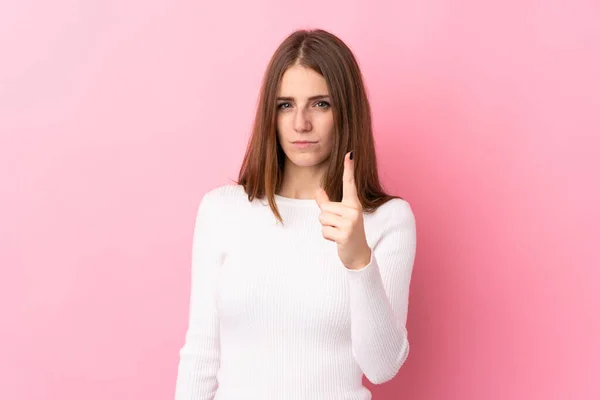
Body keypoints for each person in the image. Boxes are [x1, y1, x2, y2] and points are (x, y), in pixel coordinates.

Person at [174, 28, 417, 400]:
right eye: (285, 105)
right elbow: (201, 357)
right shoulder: (222, 210)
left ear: (346, 112)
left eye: (321, 104)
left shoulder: (387, 220)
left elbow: (381, 366)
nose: (300, 123)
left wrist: (358, 261)